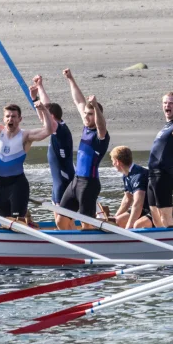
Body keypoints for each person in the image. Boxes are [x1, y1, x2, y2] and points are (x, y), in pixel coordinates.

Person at [0, 95, 53, 218]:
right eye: (8, 116)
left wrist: (44, 110)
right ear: (4, 119)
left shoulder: (25, 136)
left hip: (18, 184)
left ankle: (25, 221)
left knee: (17, 221)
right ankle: (28, 220)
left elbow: (48, 130)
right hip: (1, 185)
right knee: (5, 221)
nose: (11, 119)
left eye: (14, 116)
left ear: (19, 119)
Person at [57, 69, 110, 230]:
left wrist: (95, 106)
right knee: (61, 220)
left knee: (87, 224)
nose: (86, 117)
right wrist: (70, 79)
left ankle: (90, 245)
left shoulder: (101, 135)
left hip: (89, 183)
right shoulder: (86, 126)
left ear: (97, 115)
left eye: (90, 114)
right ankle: (72, 245)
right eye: (86, 114)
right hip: (76, 181)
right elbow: (79, 101)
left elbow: (102, 125)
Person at [29, 75, 75, 215]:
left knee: (61, 214)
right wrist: (39, 89)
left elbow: (46, 116)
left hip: (64, 178)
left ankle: (68, 233)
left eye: (46, 114)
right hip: (59, 180)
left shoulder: (59, 129)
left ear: (52, 116)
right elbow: (47, 108)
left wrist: (38, 103)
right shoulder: (57, 124)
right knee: (58, 212)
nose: (43, 116)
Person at [147, 92, 173, 227]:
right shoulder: (166, 126)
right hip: (152, 175)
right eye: (165, 103)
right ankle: (161, 243)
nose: (167, 105)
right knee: (155, 217)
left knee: (166, 217)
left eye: (171, 103)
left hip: (164, 176)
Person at [110, 146, 153, 229]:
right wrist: (115, 217)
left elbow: (137, 204)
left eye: (113, 161)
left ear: (117, 162)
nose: (113, 164)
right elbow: (127, 199)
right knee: (118, 221)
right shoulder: (126, 174)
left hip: (154, 209)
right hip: (143, 209)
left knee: (137, 225)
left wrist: (128, 228)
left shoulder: (138, 175)